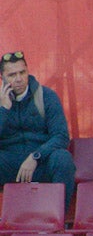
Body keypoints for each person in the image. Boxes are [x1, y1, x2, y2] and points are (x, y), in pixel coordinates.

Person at [0, 51, 76, 202]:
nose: (19, 79)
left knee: (63, 159)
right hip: (10, 163)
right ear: (2, 78)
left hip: (39, 162)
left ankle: (56, 219)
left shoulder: (46, 96)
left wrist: (36, 156)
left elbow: (61, 136)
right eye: (12, 75)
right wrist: (4, 110)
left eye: (22, 72)